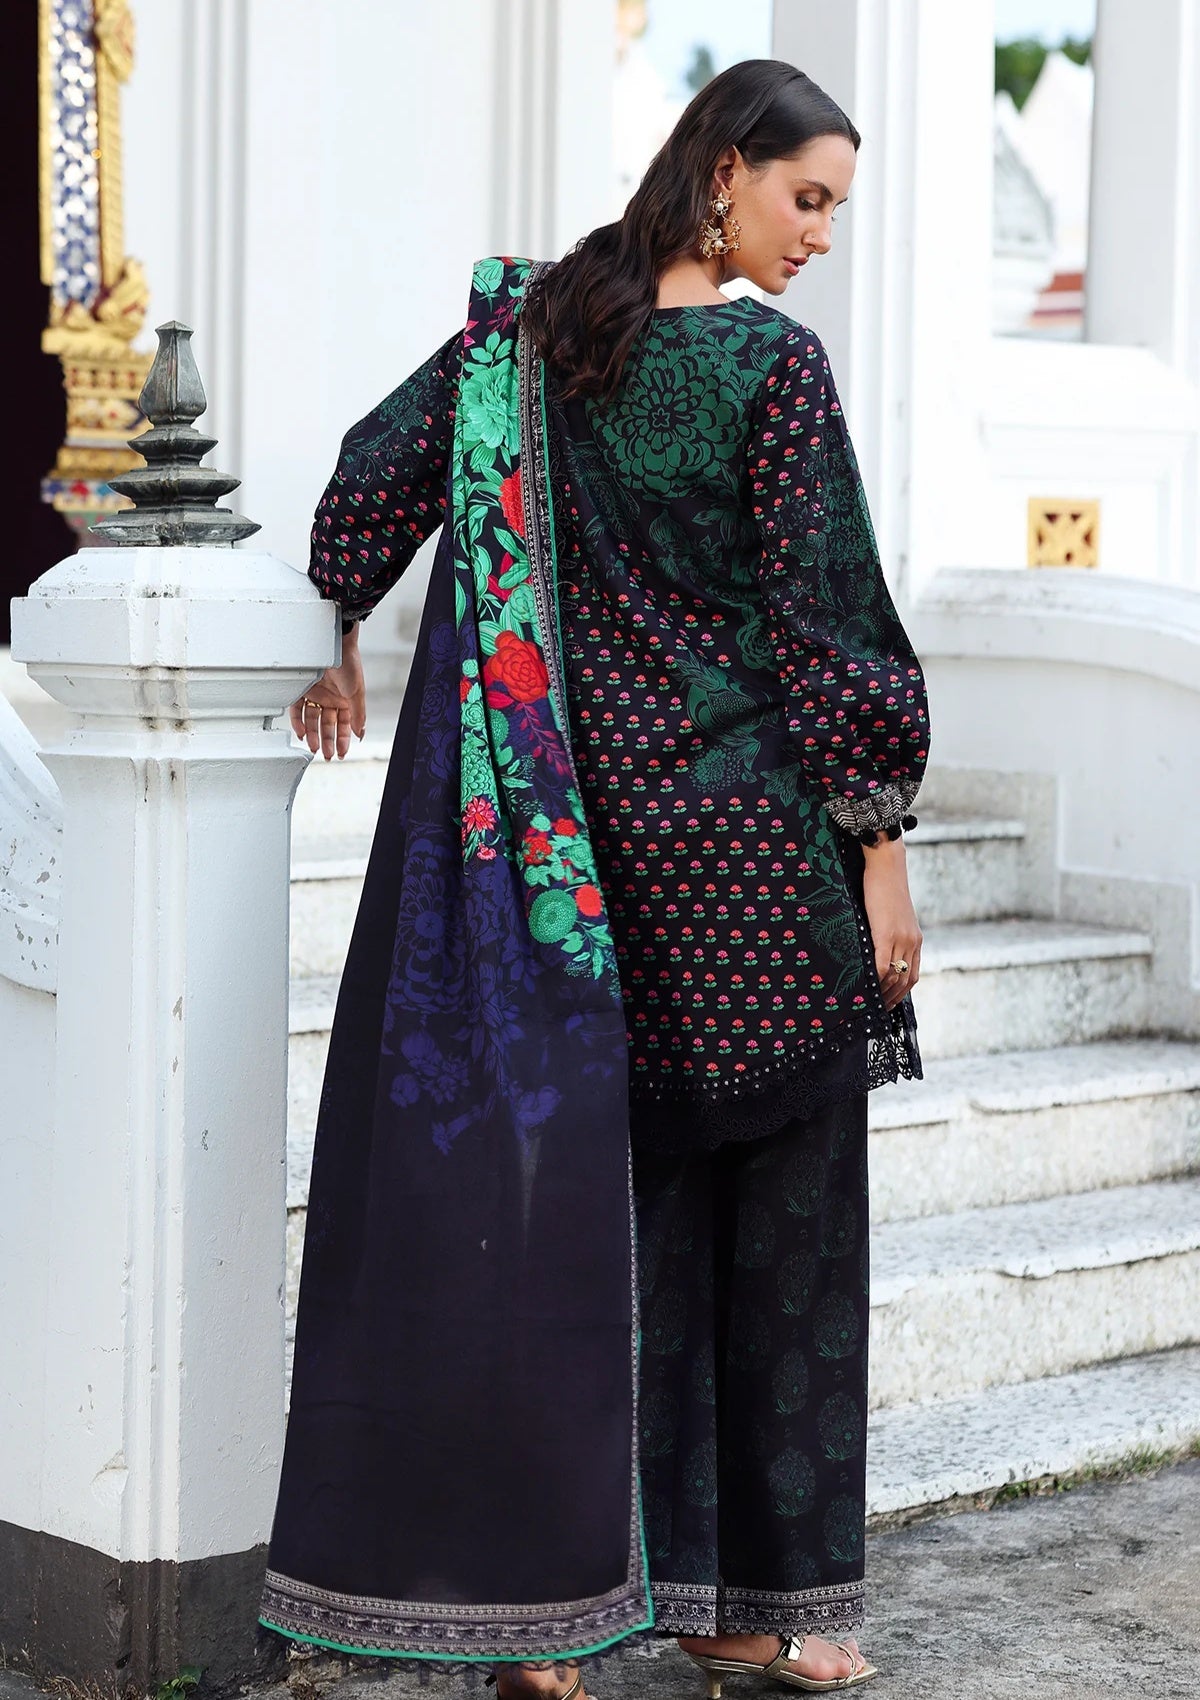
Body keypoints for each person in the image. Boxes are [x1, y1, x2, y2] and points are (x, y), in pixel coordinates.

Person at [258, 57, 929, 1700]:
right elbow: (827, 618)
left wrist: (337, 618)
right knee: (779, 1247)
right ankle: (750, 1611)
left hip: (578, 873)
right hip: (758, 877)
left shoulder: (534, 337)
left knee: (585, 1236)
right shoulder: (771, 368)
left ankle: (549, 1619)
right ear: (725, 169)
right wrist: (882, 850)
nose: (817, 235)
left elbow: (373, 470)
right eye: (807, 198)